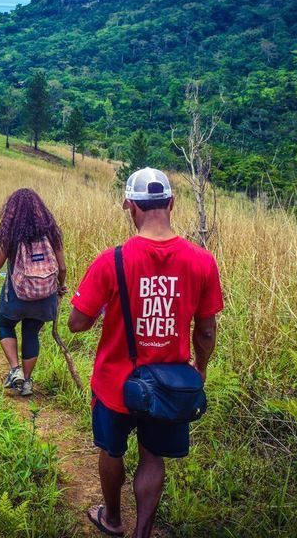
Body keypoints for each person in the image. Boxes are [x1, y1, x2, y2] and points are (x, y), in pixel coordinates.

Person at [67, 168, 224, 537]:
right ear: (171, 203)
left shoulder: (111, 260)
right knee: (153, 456)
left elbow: (77, 322)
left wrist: (107, 305)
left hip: (115, 382)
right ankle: (142, 533)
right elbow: (205, 329)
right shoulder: (202, 261)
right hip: (170, 384)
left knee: (112, 450)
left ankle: (112, 519)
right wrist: (200, 368)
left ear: (130, 207)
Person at [0, 188, 67, 397]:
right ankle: (27, 382)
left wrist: (0, 240)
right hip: (44, 296)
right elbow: (62, 268)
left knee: (5, 324)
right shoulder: (51, 233)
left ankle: (15, 370)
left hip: (16, 295)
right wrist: (59, 287)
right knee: (31, 333)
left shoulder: (10, 234)